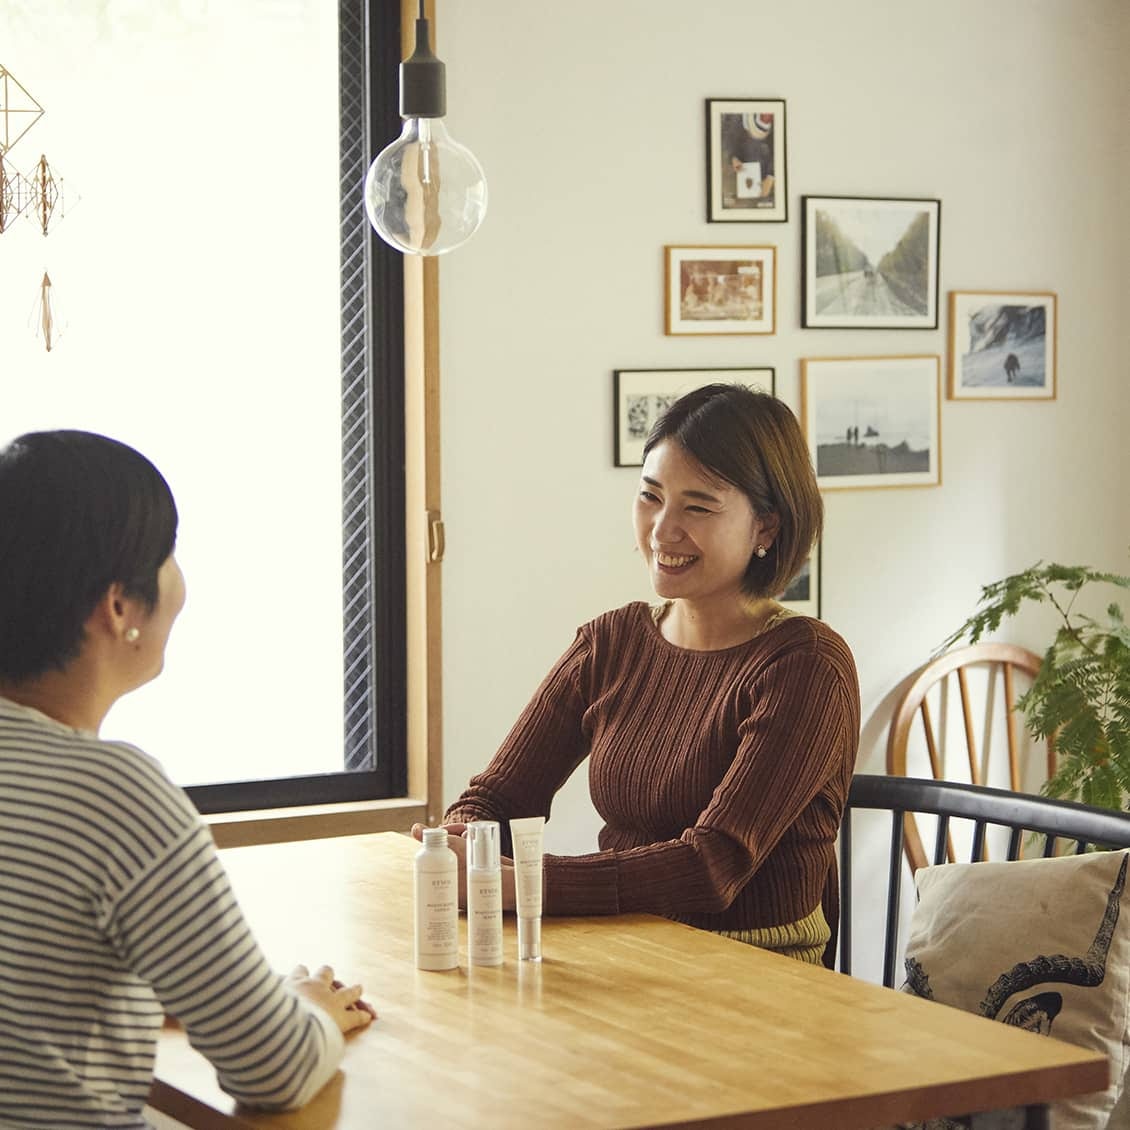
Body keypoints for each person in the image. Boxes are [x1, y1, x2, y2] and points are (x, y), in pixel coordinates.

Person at [0, 430, 374, 1129]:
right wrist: (310, 1010)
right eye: (167, 554)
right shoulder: (113, 794)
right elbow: (275, 1067)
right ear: (119, 605)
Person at [418, 385, 860, 968]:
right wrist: (459, 847)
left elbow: (711, 866)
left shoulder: (806, 666)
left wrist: (525, 882)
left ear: (766, 529)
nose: (662, 529)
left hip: (757, 969)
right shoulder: (611, 643)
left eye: (697, 507)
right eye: (651, 496)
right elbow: (498, 797)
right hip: (626, 948)